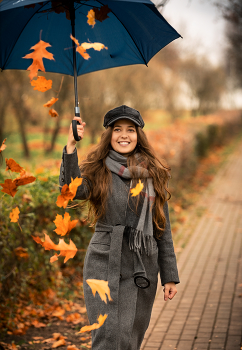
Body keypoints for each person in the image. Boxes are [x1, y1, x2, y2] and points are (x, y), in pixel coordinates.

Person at [59, 105, 180, 350]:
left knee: (127, 339)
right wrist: (71, 146)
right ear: (109, 135)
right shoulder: (98, 169)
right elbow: (71, 192)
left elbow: (161, 229)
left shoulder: (152, 173)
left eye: (130, 130)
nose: (124, 135)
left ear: (138, 135)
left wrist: (170, 276)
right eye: (117, 129)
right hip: (103, 261)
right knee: (105, 337)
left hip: (141, 265)